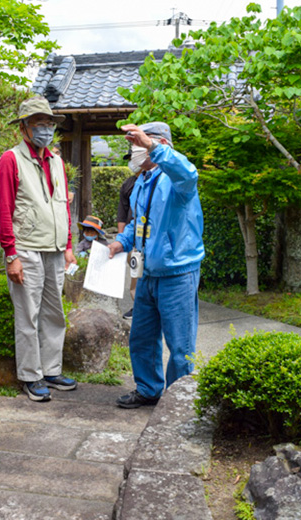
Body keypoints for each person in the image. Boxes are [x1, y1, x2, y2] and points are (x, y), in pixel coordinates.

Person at [107, 122, 205, 409]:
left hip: (177, 272)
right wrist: (121, 242)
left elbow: (188, 173)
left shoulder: (176, 179)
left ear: (160, 143)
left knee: (180, 346)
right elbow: (139, 221)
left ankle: (177, 401)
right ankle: (148, 390)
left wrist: (151, 145)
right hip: (148, 272)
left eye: (138, 144)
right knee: (142, 338)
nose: (134, 151)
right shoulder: (143, 180)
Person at [0, 96, 78, 402]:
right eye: (38, 124)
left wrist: (68, 245)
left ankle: (51, 369)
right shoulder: (10, 159)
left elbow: (63, 206)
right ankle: (31, 375)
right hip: (26, 248)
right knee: (28, 314)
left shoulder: (56, 161)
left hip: (55, 249)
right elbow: (3, 209)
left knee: (54, 313)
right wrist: (10, 254)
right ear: (24, 128)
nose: (45, 129)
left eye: (48, 123)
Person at [117, 152, 142, 319]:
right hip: (132, 237)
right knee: (136, 274)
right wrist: (121, 241)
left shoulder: (157, 181)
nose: (132, 163)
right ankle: (138, 308)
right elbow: (122, 213)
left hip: (150, 241)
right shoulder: (129, 184)